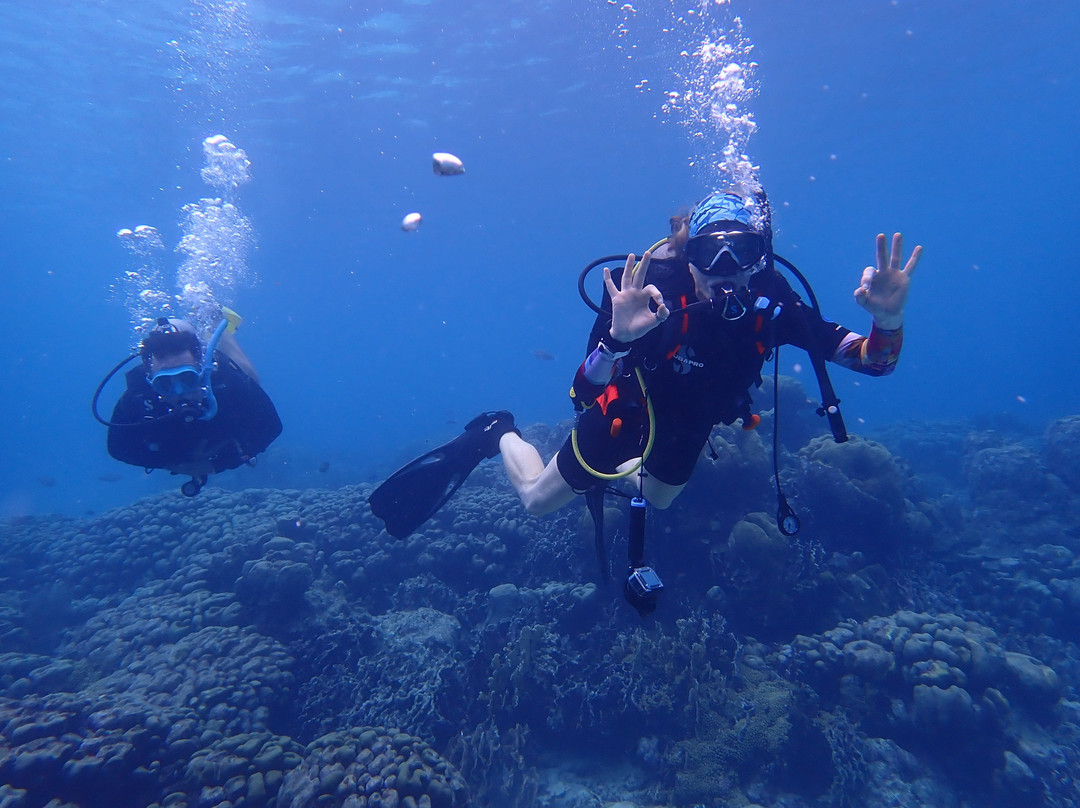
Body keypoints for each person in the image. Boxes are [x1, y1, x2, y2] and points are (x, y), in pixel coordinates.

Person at [370, 190, 920, 610]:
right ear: (689, 258)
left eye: (742, 251)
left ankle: (617, 480)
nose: (725, 268)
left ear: (760, 258)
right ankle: (497, 432)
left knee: (658, 500)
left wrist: (887, 320)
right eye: (710, 252)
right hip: (623, 411)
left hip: (690, 425)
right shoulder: (649, 293)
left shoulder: (773, 304)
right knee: (538, 502)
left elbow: (874, 360)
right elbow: (583, 391)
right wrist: (617, 338)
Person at [100, 312, 282, 496]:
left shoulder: (226, 382)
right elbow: (117, 448)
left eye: (187, 378)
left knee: (249, 376)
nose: (179, 392)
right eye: (164, 384)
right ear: (151, 381)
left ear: (203, 370)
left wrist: (217, 464)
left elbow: (271, 427)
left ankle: (215, 318)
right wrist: (174, 464)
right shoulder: (139, 397)